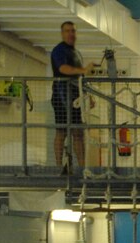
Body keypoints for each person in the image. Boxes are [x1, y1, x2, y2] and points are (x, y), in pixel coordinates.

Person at [51, 21, 95, 174]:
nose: (71, 34)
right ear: (62, 33)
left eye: (73, 31)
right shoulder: (59, 51)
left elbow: (80, 77)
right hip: (61, 96)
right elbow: (63, 69)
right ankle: (58, 166)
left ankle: (82, 167)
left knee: (78, 132)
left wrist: (88, 95)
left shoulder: (76, 53)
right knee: (62, 131)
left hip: (76, 98)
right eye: (67, 31)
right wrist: (83, 69)